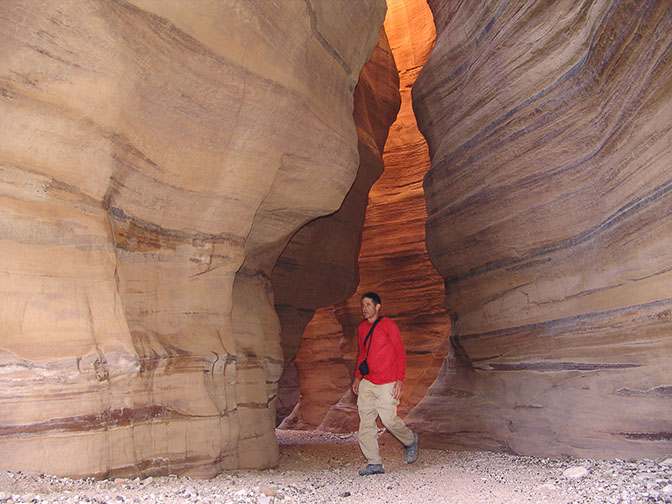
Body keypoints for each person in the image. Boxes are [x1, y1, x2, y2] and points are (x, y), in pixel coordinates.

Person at [351, 291, 419, 476]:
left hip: (388, 382)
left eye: (368, 305)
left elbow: (400, 352)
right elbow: (362, 354)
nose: (364, 309)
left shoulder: (388, 325)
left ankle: (410, 440)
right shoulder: (361, 328)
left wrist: (400, 380)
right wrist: (357, 377)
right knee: (365, 422)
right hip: (368, 382)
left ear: (377, 306)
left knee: (388, 419)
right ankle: (374, 463)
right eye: (363, 305)